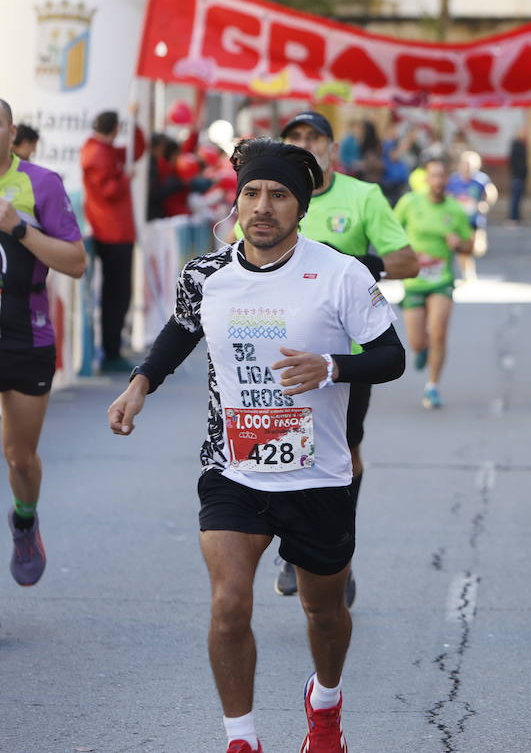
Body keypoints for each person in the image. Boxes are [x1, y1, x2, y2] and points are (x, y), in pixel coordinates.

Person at [106, 138, 403, 753]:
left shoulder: (339, 273)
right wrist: (140, 384)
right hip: (232, 467)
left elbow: (391, 356)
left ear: (301, 207)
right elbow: (182, 329)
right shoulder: (207, 274)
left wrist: (331, 367)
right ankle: (241, 739)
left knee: (324, 613)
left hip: (317, 472)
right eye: (252, 193)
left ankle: (325, 704)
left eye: (278, 195)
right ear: (237, 201)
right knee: (228, 604)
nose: (263, 206)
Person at [276, 110, 419, 602]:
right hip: (279, 350)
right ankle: (294, 548)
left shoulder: (363, 196)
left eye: (313, 137)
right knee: (278, 447)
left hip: (347, 355)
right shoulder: (271, 196)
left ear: (332, 148)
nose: (305, 144)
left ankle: (339, 554)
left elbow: (407, 260)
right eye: (294, 138)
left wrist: (353, 265)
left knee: (342, 454)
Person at [0, 98, 87, 587]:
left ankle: (25, 520)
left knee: (19, 457)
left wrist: (18, 227)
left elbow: (75, 262)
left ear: (11, 131)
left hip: (24, 332)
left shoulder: (42, 184)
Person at [394, 158, 472, 410]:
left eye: (442, 176)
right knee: (417, 341)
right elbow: (391, 231)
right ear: (426, 179)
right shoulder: (410, 203)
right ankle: (422, 349)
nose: (438, 181)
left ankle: (432, 387)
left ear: (447, 180)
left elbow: (471, 244)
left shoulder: (455, 210)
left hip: (442, 280)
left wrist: (458, 245)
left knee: (438, 331)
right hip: (414, 280)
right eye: (434, 176)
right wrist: (406, 255)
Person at [81, 106, 146, 373]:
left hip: (115, 230)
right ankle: (110, 351)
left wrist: (135, 119)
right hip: (111, 231)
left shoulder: (102, 150)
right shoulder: (97, 153)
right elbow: (108, 190)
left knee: (117, 293)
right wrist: (125, 177)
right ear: (114, 128)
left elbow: (138, 149)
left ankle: (112, 348)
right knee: (116, 294)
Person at [445, 150, 497, 281]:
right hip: (459, 220)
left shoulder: (481, 179)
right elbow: (447, 196)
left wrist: (485, 204)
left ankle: (469, 268)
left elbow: (491, 193)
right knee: (462, 248)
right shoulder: (454, 180)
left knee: (476, 248)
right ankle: (467, 274)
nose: (468, 167)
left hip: (475, 219)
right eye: (466, 164)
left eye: (471, 165)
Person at [508, 128, 529, 223]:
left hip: (520, 175)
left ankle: (516, 216)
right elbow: (513, 161)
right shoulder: (516, 145)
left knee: (518, 198)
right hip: (517, 175)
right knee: (515, 197)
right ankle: (513, 216)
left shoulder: (522, 145)